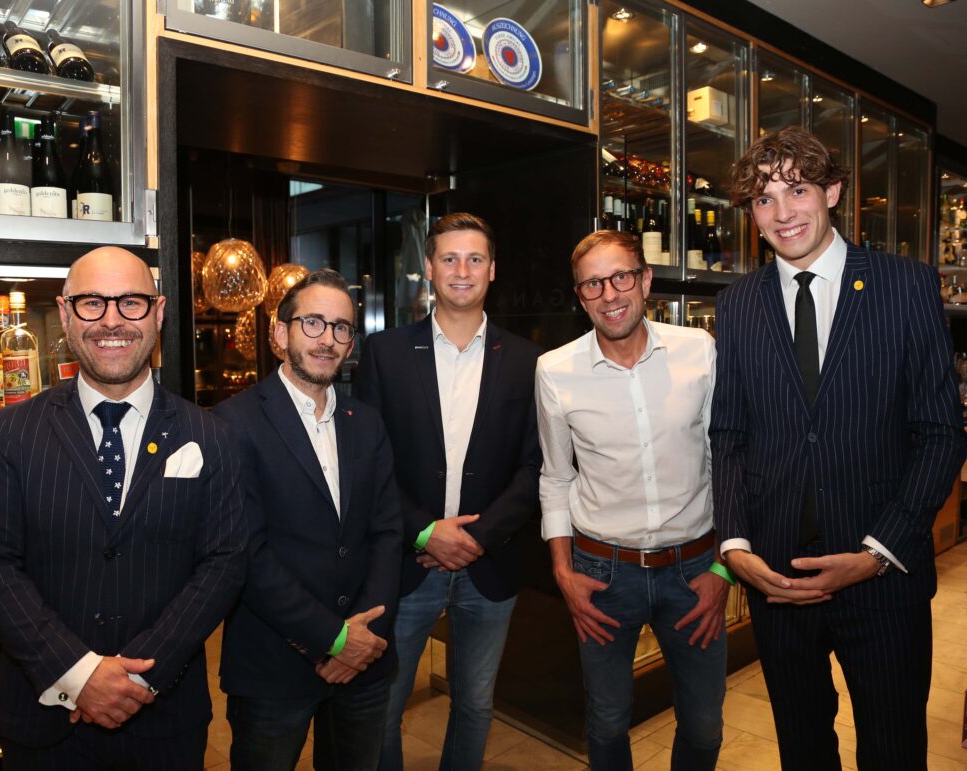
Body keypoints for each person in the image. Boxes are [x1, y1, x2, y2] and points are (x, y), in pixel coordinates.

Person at [711, 126, 967, 771]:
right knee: (802, 750)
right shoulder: (738, 303)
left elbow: (941, 432)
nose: (782, 212)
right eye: (763, 199)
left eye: (797, 190)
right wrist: (736, 546)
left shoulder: (905, 284)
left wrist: (877, 553)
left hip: (883, 580)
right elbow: (730, 434)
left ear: (832, 191)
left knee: (893, 749)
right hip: (778, 581)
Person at [0, 246, 247, 769]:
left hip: (163, 720)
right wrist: (79, 675)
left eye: (131, 302)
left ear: (158, 313)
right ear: (65, 313)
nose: (112, 320)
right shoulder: (11, 433)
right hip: (43, 724)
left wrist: (138, 677)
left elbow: (224, 563)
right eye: (92, 302)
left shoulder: (211, 435)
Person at [536, 229, 729, 771]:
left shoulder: (699, 351)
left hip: (695, 569)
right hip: (603, 574)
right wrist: (563, 572)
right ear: (580, 297)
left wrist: (724, 566)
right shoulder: (555, 370)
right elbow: (555, 477)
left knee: (704, 723)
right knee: (606, 720)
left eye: (620, 277)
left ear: (645, 281)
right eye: (592, 284)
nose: (609, 294)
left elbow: (726, 464)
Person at [356, 212, 542, 770]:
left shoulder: (529, 360)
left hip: (491, 565)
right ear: (430, 268)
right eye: (450, 258)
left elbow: (536, 465)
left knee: (476, 704)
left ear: (493, 270)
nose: (463, 270)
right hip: (407, 565)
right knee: (384, 705)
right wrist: (424, 531)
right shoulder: (385, 353)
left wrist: (477, 538)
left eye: (475, 259)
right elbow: (369, 461)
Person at [215, 268, 402, 771]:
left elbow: (387, 533)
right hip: (274, 664)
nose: (328, 339)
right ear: (280, 334)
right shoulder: (232, 423)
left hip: (365, 659)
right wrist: (332, 638)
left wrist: (362, 639)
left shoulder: (367, 422)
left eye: (341, 328)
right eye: (313, 323)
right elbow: (246, 554)